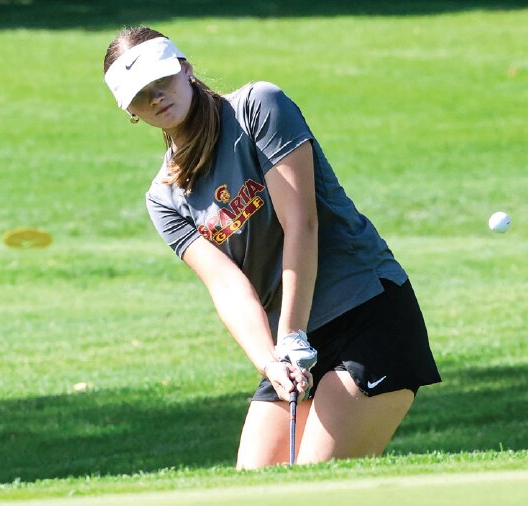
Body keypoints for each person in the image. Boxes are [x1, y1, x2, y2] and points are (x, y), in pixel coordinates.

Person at [103, 26, 441, 469]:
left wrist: (291, 335)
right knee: (253, 481)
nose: (155, 98)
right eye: (140, 95)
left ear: (184, 68)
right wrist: (270, 362)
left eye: (161, 81)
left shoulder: (259, 106)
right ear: (130, 112)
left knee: (314, 482)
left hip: (367, 313)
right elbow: (228, 286)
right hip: (291, 343)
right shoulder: (164, 198)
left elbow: (301, 223)